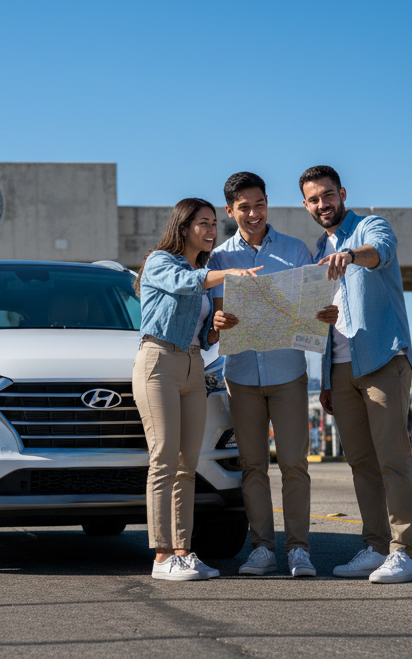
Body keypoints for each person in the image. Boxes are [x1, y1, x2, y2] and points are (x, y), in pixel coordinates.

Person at [209, 172, 339, 577]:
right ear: (230, 211)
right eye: (243, 207)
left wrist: (325, 315)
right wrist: (217, 320)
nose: (253, 213)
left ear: (268, 203)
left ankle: (299, 548)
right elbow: (211, 324)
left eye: (259, 204)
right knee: (252, 466)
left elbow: (316, 310)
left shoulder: (296, 250)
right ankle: (262, 548)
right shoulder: (219, 260)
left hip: (288, 373)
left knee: (295, 464)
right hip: (242, 375)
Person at [299, 165, 412, 584]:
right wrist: (327, 379)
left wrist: (351, 255)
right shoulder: (318, 249)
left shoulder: (370, 227)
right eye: (314, 199)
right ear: (306, 204)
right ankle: (374, 546)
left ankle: (404, 552)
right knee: (361, 463)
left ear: (342, 193)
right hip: (341, 367)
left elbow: (379, 252)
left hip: (382, 359)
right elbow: (329, 321)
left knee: (393, 458)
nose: (322, 204)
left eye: (328, 195)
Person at [133, 197, 261, 581]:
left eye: (213, 224)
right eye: (202, 223)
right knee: (164, 460)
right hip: (158, 362)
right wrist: (229, 274)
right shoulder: (161, 262)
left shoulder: (202, 271)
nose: (210, 230)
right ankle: (161, 557)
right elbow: (181, 283)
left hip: (193, 365)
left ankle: (183, 552)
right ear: (183, 226)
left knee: (188, 465)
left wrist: (216, 327)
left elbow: (203, 337)